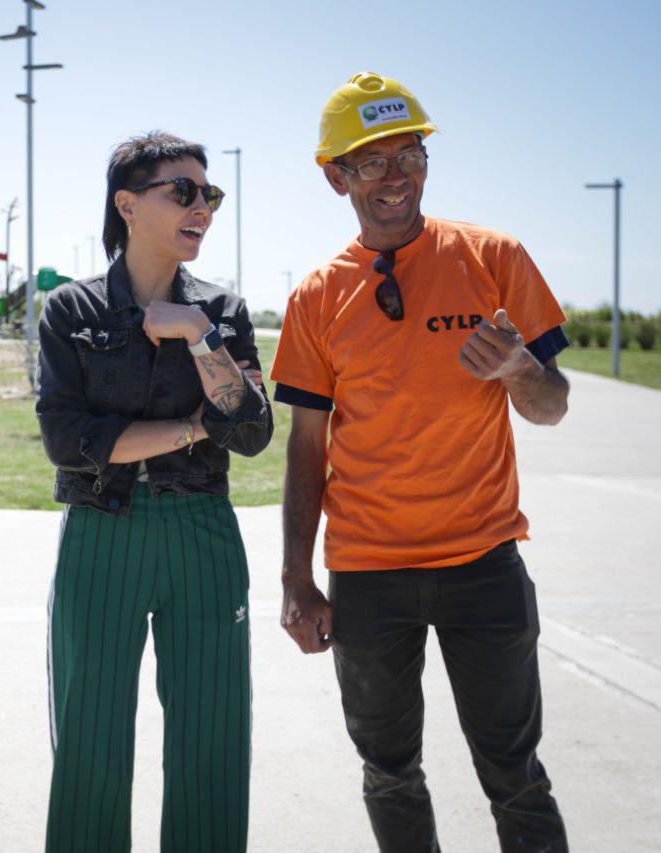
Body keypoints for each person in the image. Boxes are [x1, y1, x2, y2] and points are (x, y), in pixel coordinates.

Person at [272, 72, 570, 852]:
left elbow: (553, 404)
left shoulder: (493, 258)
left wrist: (519, 370)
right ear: (336, 177)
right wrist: (296, 578)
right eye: (371, 162)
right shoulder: (315, 298)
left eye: (409, 154)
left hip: (484, 563)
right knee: (388, 769)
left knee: (517, 772)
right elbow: (307, 448)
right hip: (368, 574)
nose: (395, 176)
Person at [36, 131, 273, 852]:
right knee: (91, 740)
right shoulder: (71, 312)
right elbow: (70, 442)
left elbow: (254, 431)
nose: (202, 206)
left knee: (213, 740)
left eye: (210, 195)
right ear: (128, 204)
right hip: (103, 532)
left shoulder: (222, 311)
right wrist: (194, 425)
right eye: (184, 191)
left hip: (203, 533)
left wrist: (200, 337)